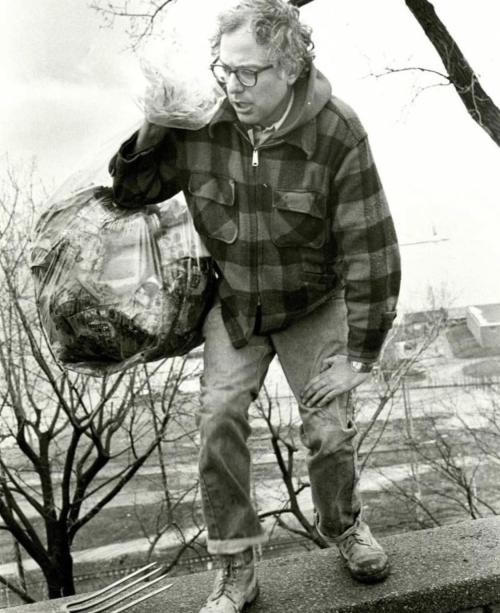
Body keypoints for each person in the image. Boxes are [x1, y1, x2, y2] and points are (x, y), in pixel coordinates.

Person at [109, 0, 401, 610]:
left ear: (291, 68)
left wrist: (362, 355)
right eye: (224, 70)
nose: (233, 87)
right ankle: (235, 566)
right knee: (217, 418)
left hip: (312, 303)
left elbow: (370, 248)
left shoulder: (337, 132)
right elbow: (131, 190)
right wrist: (155, 125)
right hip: (238, 302)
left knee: (328, 430)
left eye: (249, 74)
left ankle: (344, 526)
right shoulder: (204, 121)